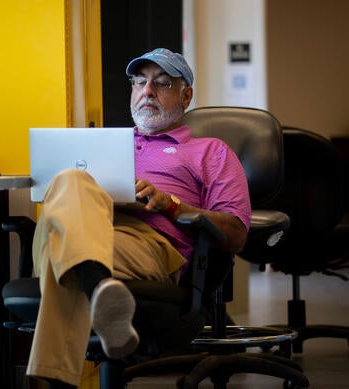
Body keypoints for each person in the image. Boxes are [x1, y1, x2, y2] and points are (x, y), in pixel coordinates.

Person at [26, 48, 252, 388]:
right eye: (140, 82)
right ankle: (100, 286)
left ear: (185, 95)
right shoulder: (101, 143)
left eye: (161, 84)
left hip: (148, 244)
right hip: (83, 227)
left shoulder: (211, 151)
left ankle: (55, 367)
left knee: (63, 254)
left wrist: (170, 204)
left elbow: (235, 233)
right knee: (70, 180)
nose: (147, 91)